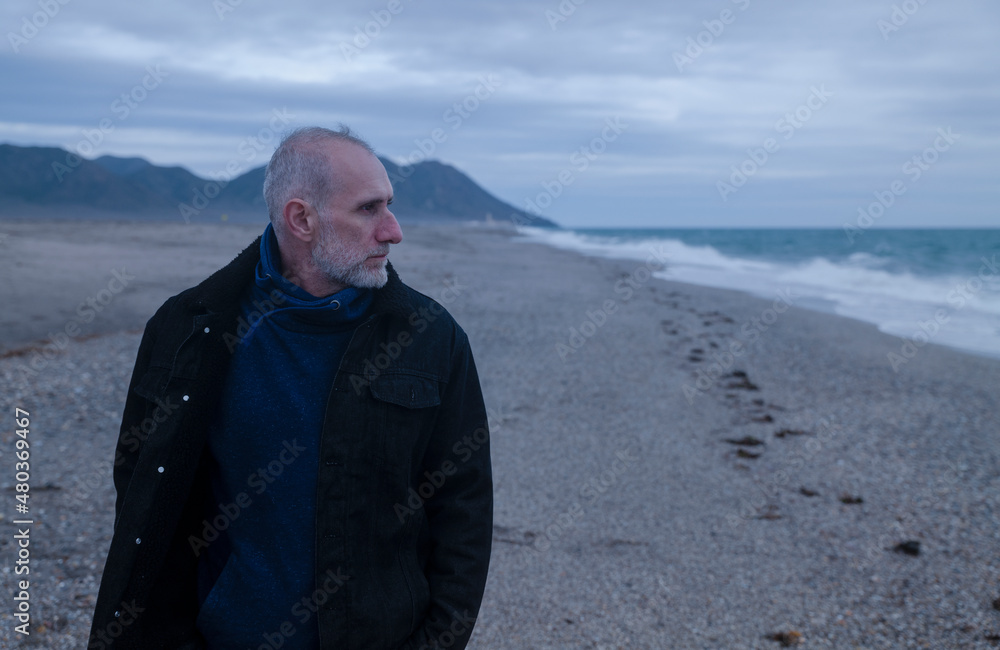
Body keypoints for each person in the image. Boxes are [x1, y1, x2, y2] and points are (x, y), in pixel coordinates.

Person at [89, 126, 494, 649]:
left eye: (389, 206)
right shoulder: (187, 328)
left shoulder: (430, 337)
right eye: (368, 209)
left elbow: (464, 510)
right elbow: (141, 484)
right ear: (301, 219)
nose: (393, 231)